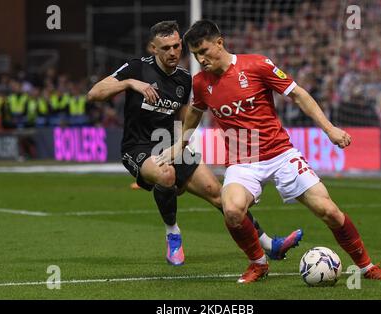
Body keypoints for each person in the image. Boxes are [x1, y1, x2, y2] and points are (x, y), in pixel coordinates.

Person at [158, 19, 381, 283]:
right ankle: (258, 263)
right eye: (195, 55)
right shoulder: (201, 83)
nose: (200, 59)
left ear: (219, 43)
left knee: (328, 210)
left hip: (280, 153)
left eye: (203, 51)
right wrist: (179, 145)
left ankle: (367, 267)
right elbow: (195, 113)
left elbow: (298, 95)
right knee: (233, 210)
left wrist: (330, 129)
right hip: (242, 161)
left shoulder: (257, 64)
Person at [87, 21, 302, 267]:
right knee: (166, 174)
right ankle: (173, 234)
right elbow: (94, 94)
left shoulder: (185, 79)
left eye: (177, 46)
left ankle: (268, 245)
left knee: (220, 195)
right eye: (165, 48)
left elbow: (186, 116)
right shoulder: (137, 69)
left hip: (170, 145)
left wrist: (182, 145)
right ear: (153, 49)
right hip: (137, 147)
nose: (173, 52)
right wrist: (130, 83)